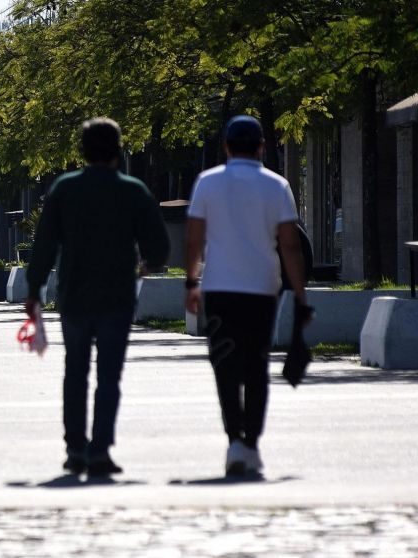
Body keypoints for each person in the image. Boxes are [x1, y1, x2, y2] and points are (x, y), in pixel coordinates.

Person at [26, 118, 170, 477]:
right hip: (116, 298)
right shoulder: (133, 190)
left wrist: (33, 290)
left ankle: (75, 448)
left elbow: (44, 245)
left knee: (75, 372)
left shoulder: (65, 188)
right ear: (118, 150)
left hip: (74, 296)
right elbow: (159, 247)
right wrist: (147, 263)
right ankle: (100, 450)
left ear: (83, 150)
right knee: (109, 376)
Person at [185, 115, 308, 477]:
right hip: (261, 290)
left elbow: (194, 238)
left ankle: (234, 441)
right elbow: (290, 245)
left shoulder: (207, 183)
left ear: (226, 146)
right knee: (256, 365)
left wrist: (190, 282)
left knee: (224, 364)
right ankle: (252, 443)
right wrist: (300, 294)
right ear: (262, 147)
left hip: (219, 289)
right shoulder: (277, 186)